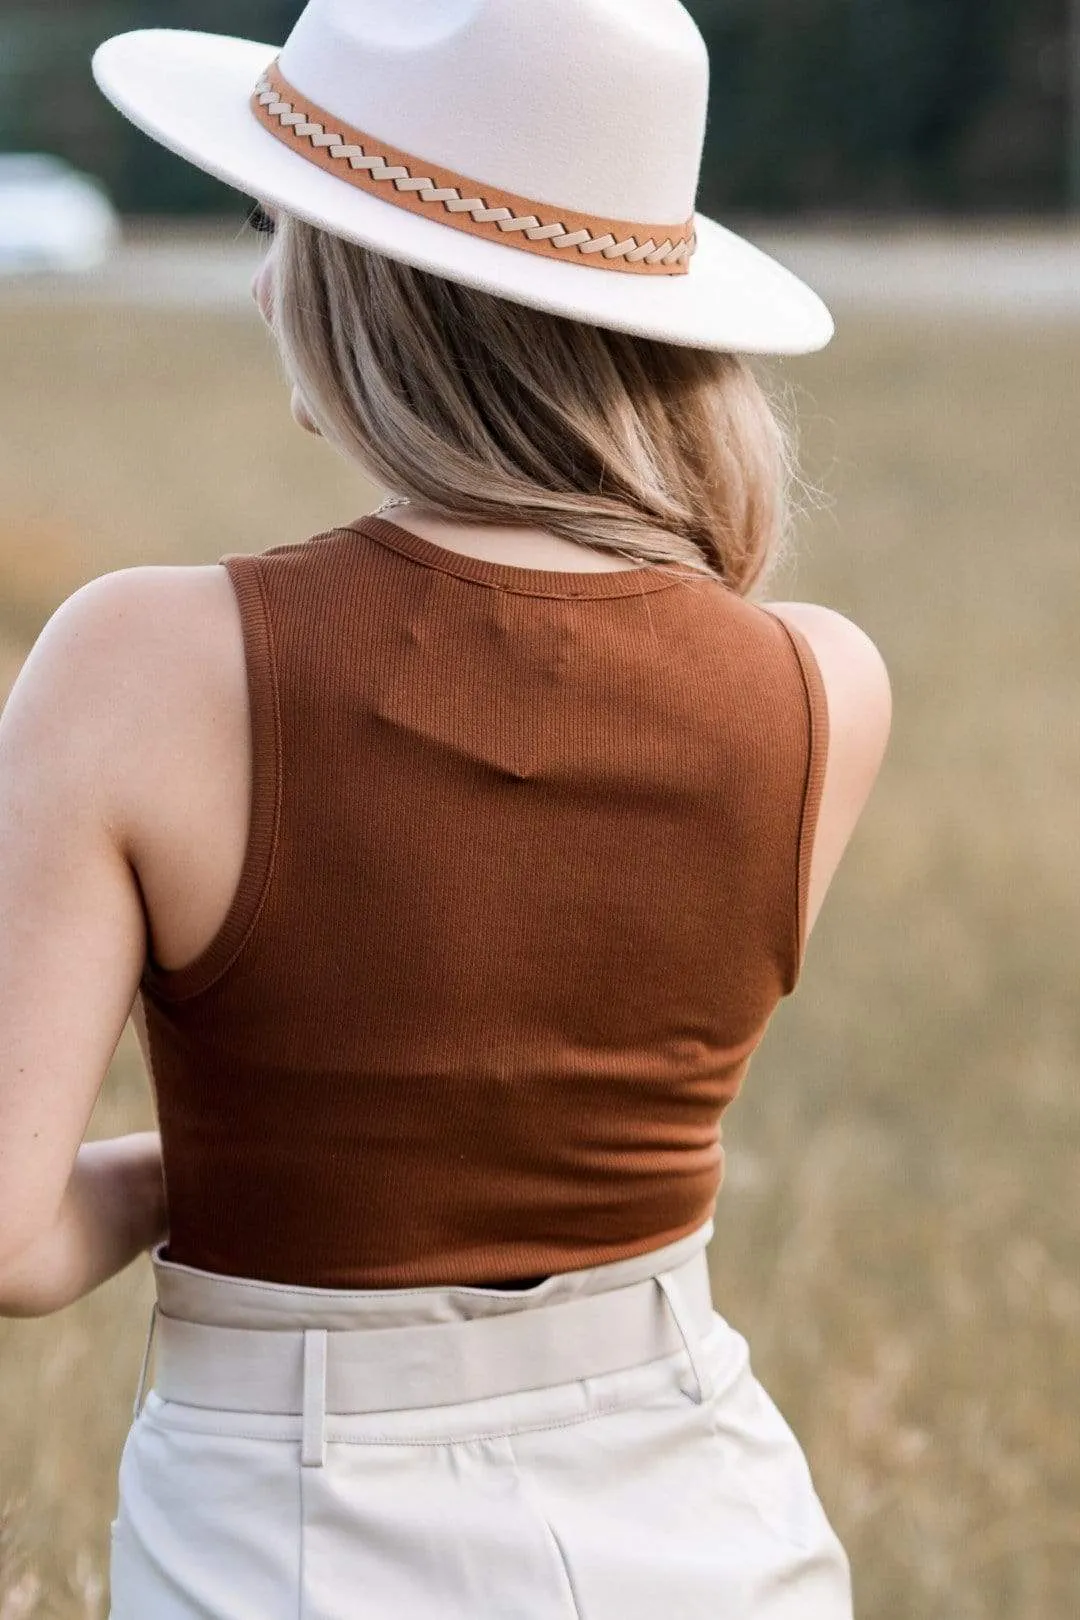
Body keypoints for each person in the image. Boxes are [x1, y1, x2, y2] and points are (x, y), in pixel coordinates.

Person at [0, 1, 891, 1615]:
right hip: (712, 1504)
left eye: (283, 224)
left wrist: (213, 1165)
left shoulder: (140, 660)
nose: (264, 277)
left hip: (294, 1525)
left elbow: (9, 1234)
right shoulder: (822, 685)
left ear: (367, 288)